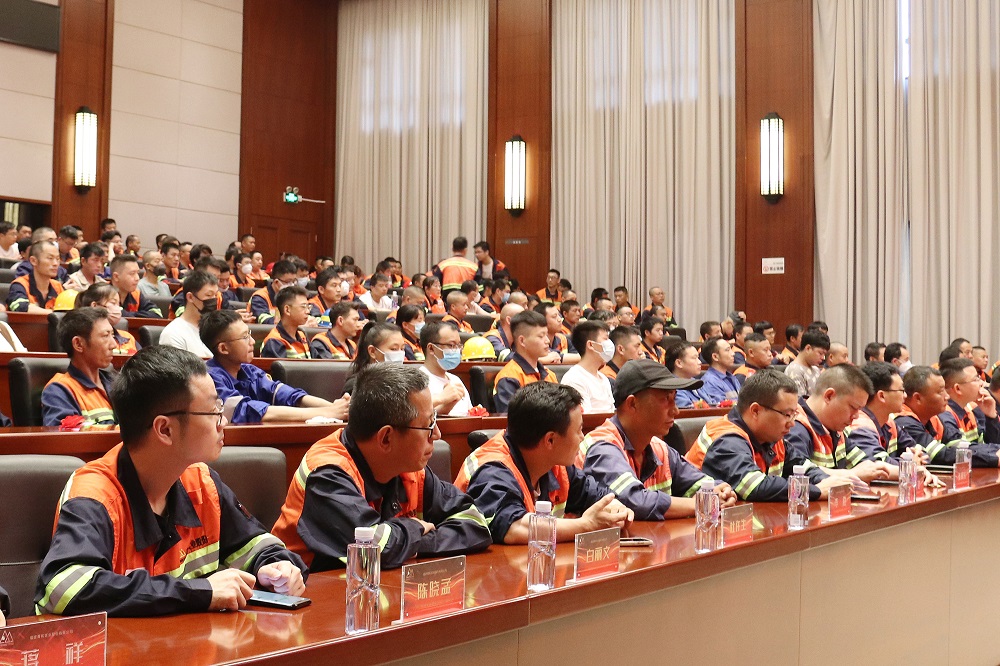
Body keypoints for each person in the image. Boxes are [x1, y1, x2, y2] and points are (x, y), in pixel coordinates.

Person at [36, 346, 308, 616]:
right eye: (213, 410)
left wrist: (278, 567)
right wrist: (199, 592)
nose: (223, 421)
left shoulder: (201, 482)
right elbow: (64, 588)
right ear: (165, 429)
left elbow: (256, 544)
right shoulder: (94, 494)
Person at [272, 364, 491, 570]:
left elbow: (475, 523)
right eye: (428, 425)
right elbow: (375, 549)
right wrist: (415, 527)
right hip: (310, 592)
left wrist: (412, 544)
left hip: (380, 590)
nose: (437, 434)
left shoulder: (410, 469)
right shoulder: (326, 473)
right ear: (386, 438)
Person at [456, 382, 632, 543]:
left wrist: (615, 509)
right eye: (579, 430)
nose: (582, 437)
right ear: (550, 440)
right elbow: (513, 528)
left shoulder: (557, 465)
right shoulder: (492, 468)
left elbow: (597, 495)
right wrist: (586, 525)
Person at [577, 359, 737, 519]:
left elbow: (703, 484)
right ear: (632, 403)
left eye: (675, 398)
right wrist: (701, 503)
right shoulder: (602, 446)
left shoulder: (659, 448)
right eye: (666, 399)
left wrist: (720, 491)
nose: (675, 410)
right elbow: (634, 501)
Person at [685, 369, 847, 501]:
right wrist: (815, 491)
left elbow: (803, 467)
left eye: (794, 414)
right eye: (787, 414)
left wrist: (827, 482)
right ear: (756, 411)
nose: (792, 423)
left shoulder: (771, 437)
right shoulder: (726, 439)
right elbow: (754, 486)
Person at [200, 310, 349, 423]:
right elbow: (251, 411)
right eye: (245, 337)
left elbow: (289, 395)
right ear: (223, 348)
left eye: (249, 334)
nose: (252, 341)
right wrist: (326, 412)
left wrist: (336, 408)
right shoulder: (210, 379)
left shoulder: (249, 371)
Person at [781, 364, 890, 482]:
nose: (856, 416)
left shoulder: (836, 428)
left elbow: (869, 466)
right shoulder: (795, 428)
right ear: (829, 396)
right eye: (853, 407)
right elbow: (800, 474)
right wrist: (851, 474)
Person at [893, 365, 1000, 467]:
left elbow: (961, 446)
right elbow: (940, 455)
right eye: (940, 392)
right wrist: (993, 458)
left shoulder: (935, 419)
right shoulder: (904, 421)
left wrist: (995, 451)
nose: (947, 396)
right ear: (918, 398)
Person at [41, 308, 117, 428]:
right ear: (78, 344)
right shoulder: (60, 390)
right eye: (105, 336)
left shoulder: (115, 381)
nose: (114, 345)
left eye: (112, 335)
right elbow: (65, 434)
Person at [493, 310, 558, 414]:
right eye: (541, 336)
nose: (547, 341)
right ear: (522, 341)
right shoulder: (509, 377)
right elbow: (510, 418)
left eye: (546, 335)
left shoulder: (550, 375)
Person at [158, 271, 218, 358]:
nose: (213, 300)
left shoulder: (216, 328)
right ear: (190, 297)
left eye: (215, 295)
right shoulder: (173, 333)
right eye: (209, 295)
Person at [560, 320, 616, 413]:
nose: (610, 343)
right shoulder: (574, 379)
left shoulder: (603, 378)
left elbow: (611, 411)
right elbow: (585, 417)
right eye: (605, 339)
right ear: (591, 345)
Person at [419, 321, 473, 416]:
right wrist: (441, 399)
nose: (457, 350)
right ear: (431, 348)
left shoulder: (456, 380)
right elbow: (415, 416)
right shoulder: (416, 382)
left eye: (458, 345)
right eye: (451, 345)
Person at [342, 322, 408, 394]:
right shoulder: (357, 385)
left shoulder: (405, 381)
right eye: (394, 349)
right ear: (372, 351)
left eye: (402, 348)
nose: (400, 353)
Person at [76, 283, 140, 355]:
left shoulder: (127, 337)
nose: (118, 308)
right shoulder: (85, 338)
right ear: (95, 306)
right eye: (113, 303)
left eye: (118, 304)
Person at [6, 240, 63, 313]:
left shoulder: (58, 287)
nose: (55, 263)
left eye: (57, 259)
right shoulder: (20, 285)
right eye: (50, 258)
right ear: (33, 261)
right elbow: (19, 307)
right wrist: (53, 314)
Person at [260, 285, 311, 359]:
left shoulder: (302, 336)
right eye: (303, 307)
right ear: (287, 310)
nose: (308, 311)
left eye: (308, 307)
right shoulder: (274, 341)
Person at [784, 330, 830, 397]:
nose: (823, 358)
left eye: (824, 354)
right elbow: (799, 401)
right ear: (808, 348)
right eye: (820, 353)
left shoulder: (815, 369)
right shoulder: (794, 370)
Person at [698, 337, 741, 405]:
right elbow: (721, 408)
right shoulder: (710, 382)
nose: (733, 353)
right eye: (727, 350)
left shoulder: (732, 377)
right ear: (715, 357)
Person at [665, 341, 706, 408]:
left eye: (698, 358)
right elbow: (689, 412)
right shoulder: (673, 390)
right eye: (694, 358)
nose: (700, 362)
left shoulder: (696, 382)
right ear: (679, 363)